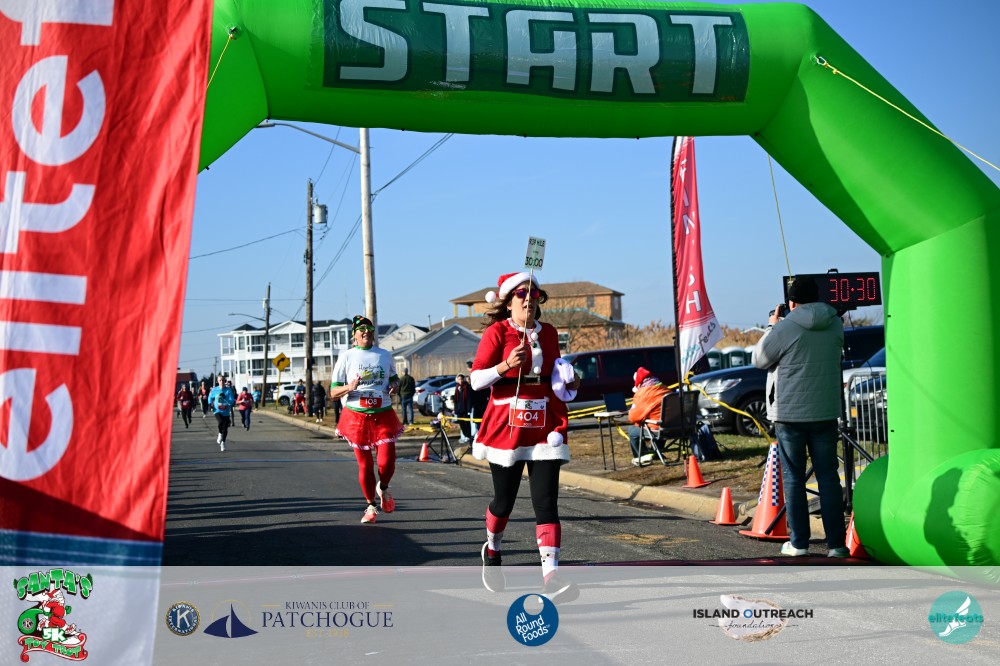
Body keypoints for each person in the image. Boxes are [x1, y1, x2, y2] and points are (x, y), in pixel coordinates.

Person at [470, 271, 580, 602]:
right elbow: (476, 381)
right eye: (521, 293)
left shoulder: (549, 333)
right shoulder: (497, 332)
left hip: (545, 425)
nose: (529, 298)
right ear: (508, 302)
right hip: (507, 426)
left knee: (546, 502)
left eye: (534, 294)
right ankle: (493, 548)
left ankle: (551, 578)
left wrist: (571, 382)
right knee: (504, 501)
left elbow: (556, 377)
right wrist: (505, 366)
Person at [752, 276, 848, 558]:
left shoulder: (785, 328)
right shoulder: (836, 324)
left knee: (794, 478)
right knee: (829, 478)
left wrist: (772, 326)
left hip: (790, 414)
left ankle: (799, 543)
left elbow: (759, 359)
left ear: (791, 303)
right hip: (825, 411)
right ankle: (837, 545)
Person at [330, 315, 403, 524]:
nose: (366, 332)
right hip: (356, 417)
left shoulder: (384, 355)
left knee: (387, 463)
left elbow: (394, 379)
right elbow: (333, 392)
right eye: (361, 329)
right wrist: (349, 387)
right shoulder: (346, 357)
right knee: (365, 465)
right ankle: (371, 506)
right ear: (354, 334)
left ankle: (384, 488)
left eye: (369, 329)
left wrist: (395, 386)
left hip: (383, 414)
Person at [626, 367, 671, 465]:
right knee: (660, 422)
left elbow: (633, 417)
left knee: (632, 430)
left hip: (658, 429)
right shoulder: (665, 389)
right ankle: (656, 453)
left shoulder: (643, 393)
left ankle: (642, 457)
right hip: (674, 427)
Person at [208, 376, 233, 451]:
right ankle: (219, 433)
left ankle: (223, 443)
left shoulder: (228, 390)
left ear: (225, 381)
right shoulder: (214, 390)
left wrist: (227, 400)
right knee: (220, 422)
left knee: (225, 428)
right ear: (218, 381)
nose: (221, 381)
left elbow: (232, 400)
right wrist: (210, 404)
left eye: (223, 380)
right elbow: (210, 397)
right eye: (220, 380)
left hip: (226, 411)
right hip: (217, 410)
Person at [452, 373, 473, 443]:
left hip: (465, 409)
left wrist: (469, 409)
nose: (460, 381)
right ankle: (465, 435)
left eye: (461, 379)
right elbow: (456, 400)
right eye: (459, 379)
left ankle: (468, 436)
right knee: (461, 423)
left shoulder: (467, 387)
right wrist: (455, 409)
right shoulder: (457, 387)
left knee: (466, 423)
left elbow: (469, 399)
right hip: (459, 409)